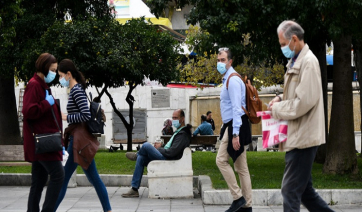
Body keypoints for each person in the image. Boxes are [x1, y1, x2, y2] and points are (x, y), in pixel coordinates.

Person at [268, 20, 334, 212]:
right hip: (299, 135)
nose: (282, 48)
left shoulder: (309, 62)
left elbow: (302, 103)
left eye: (282, 44)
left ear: (294, 39)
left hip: (303, 137)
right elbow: (298, 93)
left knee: (289, 191)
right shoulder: (297, 60)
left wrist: (276, 109)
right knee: (305, 192)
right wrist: (280, 97)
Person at [54, 59, 112, 212]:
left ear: (68, 74)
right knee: (94, 178)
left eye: (61, 76)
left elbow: (85, 115)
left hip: (78, 141)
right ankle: (109, 210)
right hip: (79, 140)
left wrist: (66, 117)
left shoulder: (77, 91)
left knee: (63, 179)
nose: (60, 80)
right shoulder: (76, 90)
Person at [22, 53, 65, 212]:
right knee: (58, 176)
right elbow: (28, 111)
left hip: (42, 142)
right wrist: (47, 103)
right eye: (52, 70)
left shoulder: (40, 85)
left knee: (38, 182)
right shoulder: (34, 85)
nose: (54, 74)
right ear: (44, 68)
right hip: (43, 142)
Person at [122, 109, 192, 198]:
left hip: (168, 159)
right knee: (142, 158)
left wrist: (159, 149)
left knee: (146, 145)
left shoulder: (183, 134)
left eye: (176, 118)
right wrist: (162, 145)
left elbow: (171, 152)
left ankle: (136, 155)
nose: (173, 120)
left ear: (182, 119)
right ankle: (134, 189)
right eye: (173, 117)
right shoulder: (179, 131)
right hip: (166, 156)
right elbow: (171, 147)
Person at [216, 48, 252, 212]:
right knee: (241, 168)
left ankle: (238, 198)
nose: (220, 63)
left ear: (230, 62)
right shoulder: (227, 79)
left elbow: (237, 109)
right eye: (218, 60)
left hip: (235, 126)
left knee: (221, 160)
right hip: (232, 126)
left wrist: (235, 134)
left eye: (223, 60)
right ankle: (247, 206)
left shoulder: (233, 80)